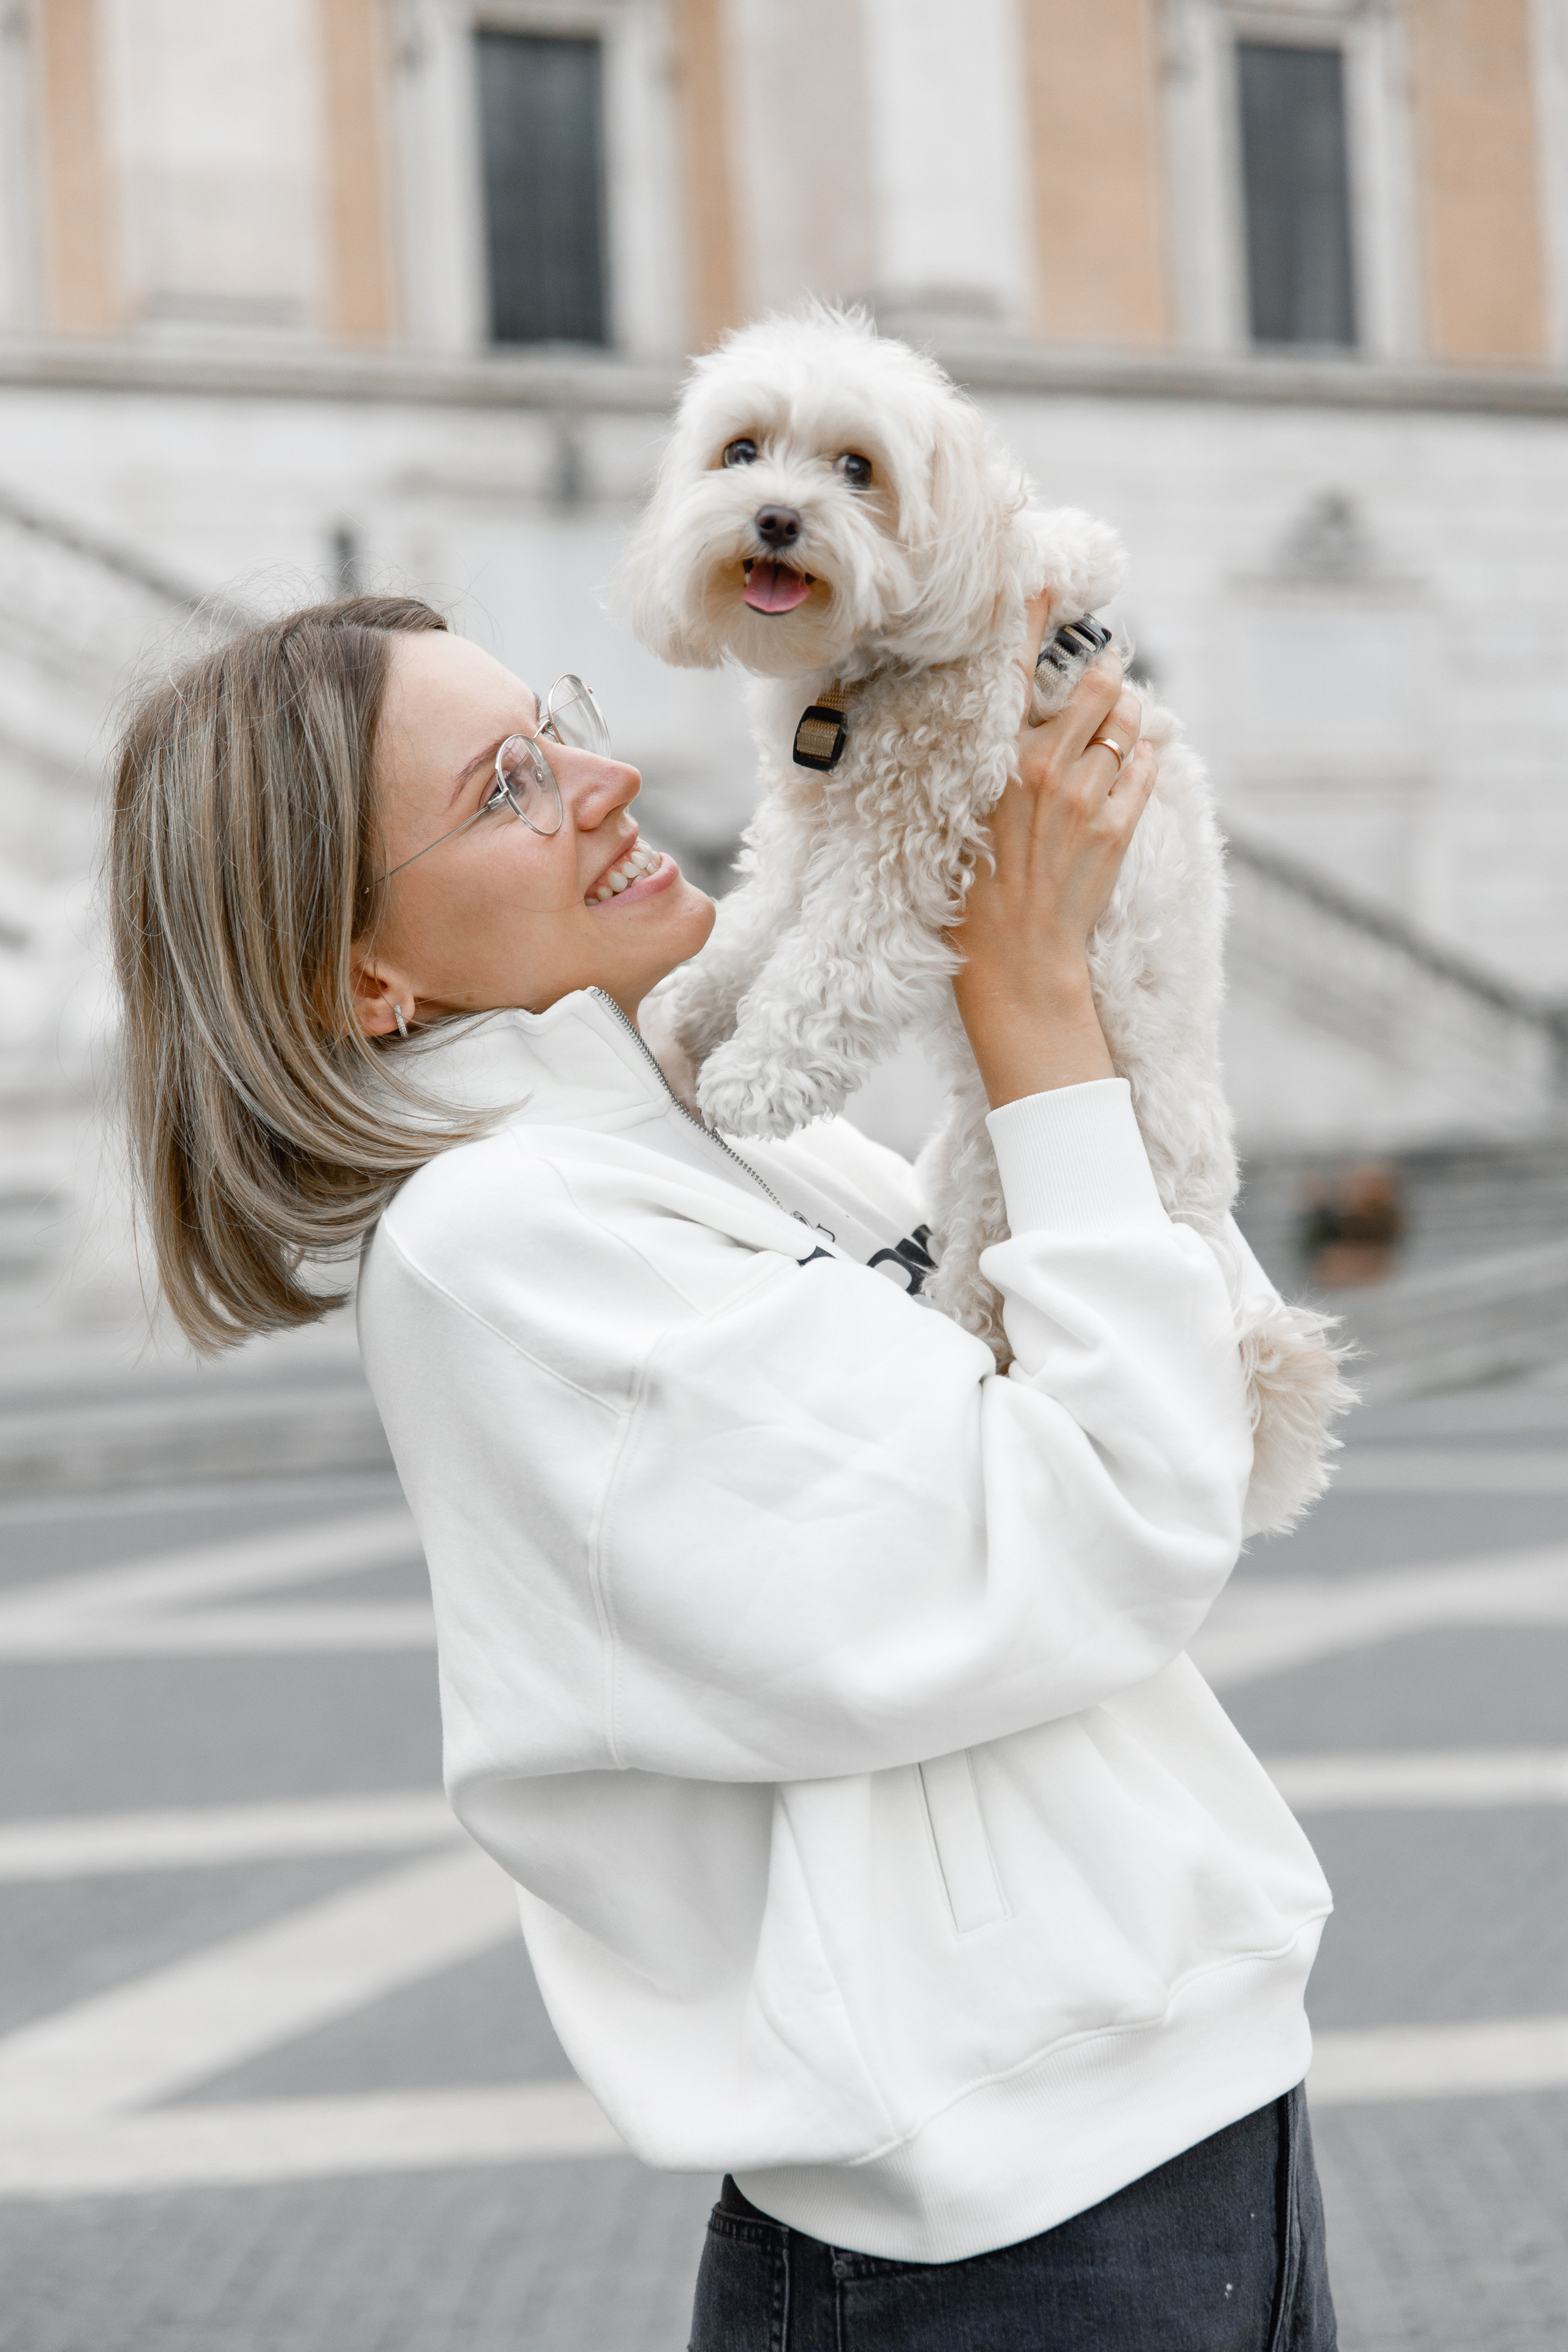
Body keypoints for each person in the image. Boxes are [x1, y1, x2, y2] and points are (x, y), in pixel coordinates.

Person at [109, 592, 1336, 2350]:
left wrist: (1090, 958)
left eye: (561, 720)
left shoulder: (718, 1125)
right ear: (355, 976)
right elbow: (1111, 1520)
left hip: (1185, 2136)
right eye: (508, 786)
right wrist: (1029, 997)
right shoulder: (508, 1239)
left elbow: (1209, 1396)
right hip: (995, 2243)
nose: (605, 779)